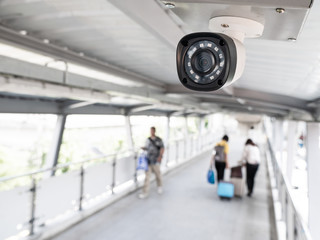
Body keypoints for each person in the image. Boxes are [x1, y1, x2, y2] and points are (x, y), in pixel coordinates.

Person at [138, 126, 164, 199]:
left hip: (156, 160)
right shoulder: (148, 140)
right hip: (148, 160)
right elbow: (147, 147)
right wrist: (143, 148)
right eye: (150, 131)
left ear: (154, 131)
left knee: (158, 174)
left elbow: (162, 148)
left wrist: (160, 157)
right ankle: (145, 192)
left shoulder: (159, 140)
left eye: (152, 131)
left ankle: (159, 186)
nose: (151, 132)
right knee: (147, 177)